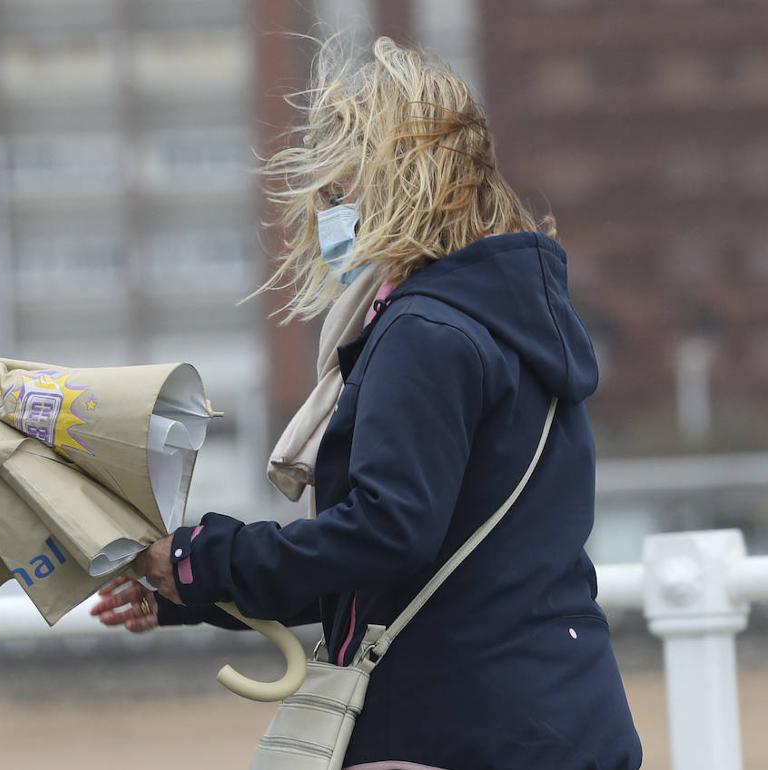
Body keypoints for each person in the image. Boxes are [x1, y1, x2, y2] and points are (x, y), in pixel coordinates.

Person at [91, 36, 642, 770]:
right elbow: (410, 559)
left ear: (397, 183)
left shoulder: (424, 333)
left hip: (455, 728)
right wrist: (188, 591)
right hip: (555, 716)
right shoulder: (512, 323)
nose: (325, 217)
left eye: (336, 193)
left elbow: (385, 533)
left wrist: (201, 558)